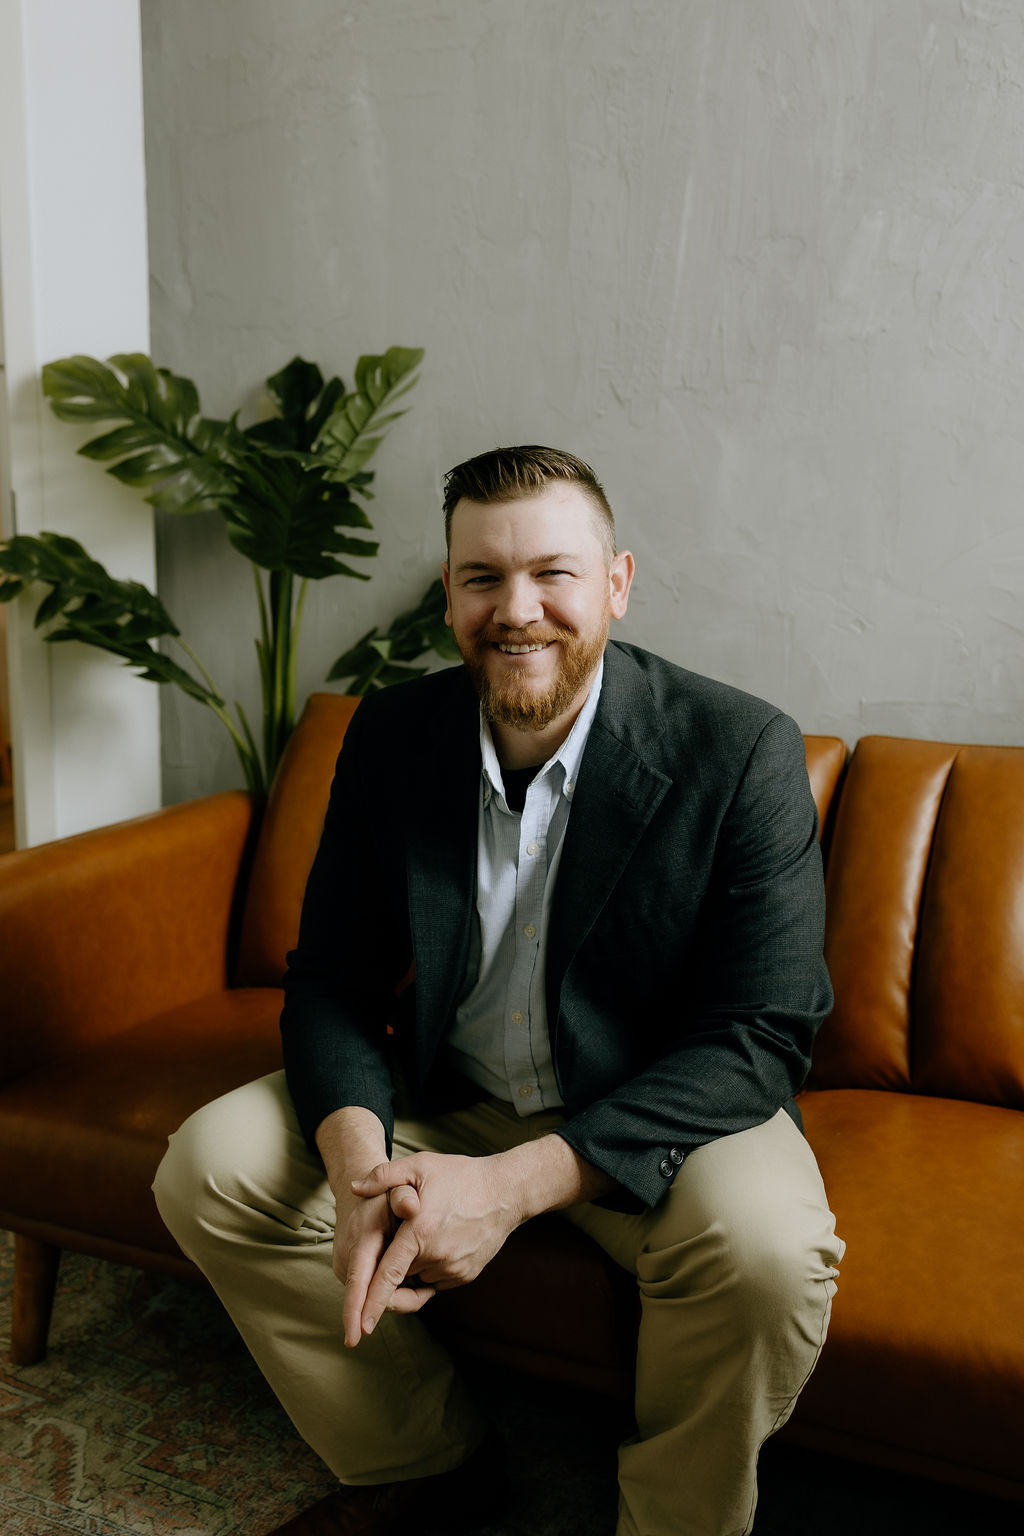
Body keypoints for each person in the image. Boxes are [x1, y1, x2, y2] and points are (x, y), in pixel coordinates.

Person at [154, 445, 844, 1536]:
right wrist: (359, 1168)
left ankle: (672, 1519)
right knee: (210, 1167)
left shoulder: (740, 749)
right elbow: (331, 978)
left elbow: (761, 1036)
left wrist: (515, 1186)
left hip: (657, 1111)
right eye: (482, 579)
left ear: (616, 582)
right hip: (453, 1086)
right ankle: (425, 1466)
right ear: (449, 594)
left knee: (765, 1254)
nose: (516, 611)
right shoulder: (389, 737)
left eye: (552, 575)